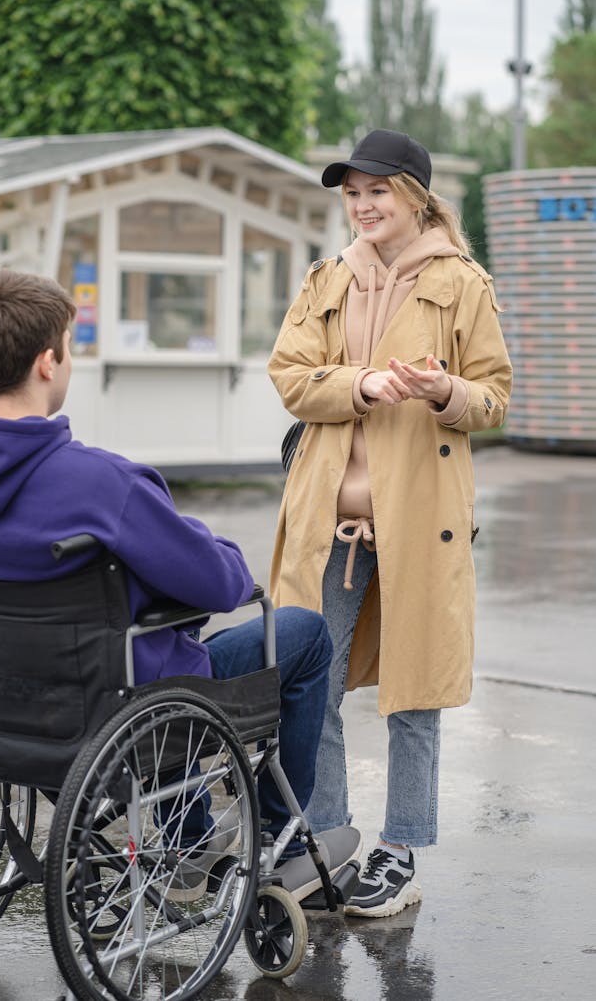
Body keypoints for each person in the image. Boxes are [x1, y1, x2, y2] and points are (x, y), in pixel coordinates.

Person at [0, 268, 360, 902]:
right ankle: (274, 835)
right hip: (113, 705)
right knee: (299, 633)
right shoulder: (101, 484)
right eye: (70, 349)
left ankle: (190, 831)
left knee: (155, 658)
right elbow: (224, 584)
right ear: (46, 362)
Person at [268, 128, 512, 917]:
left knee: (415, 691)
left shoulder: (462, 284)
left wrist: (445, 393)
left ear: (415, 196)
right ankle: (329, 842)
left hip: (421, 524)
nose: (363, 205)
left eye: (377, 190)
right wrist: (363, 383)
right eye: (352, 193)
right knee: (313, 686)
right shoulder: (325, 279)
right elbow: (292, 378)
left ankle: (399, 853)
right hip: (326, 527)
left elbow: (495, 398)